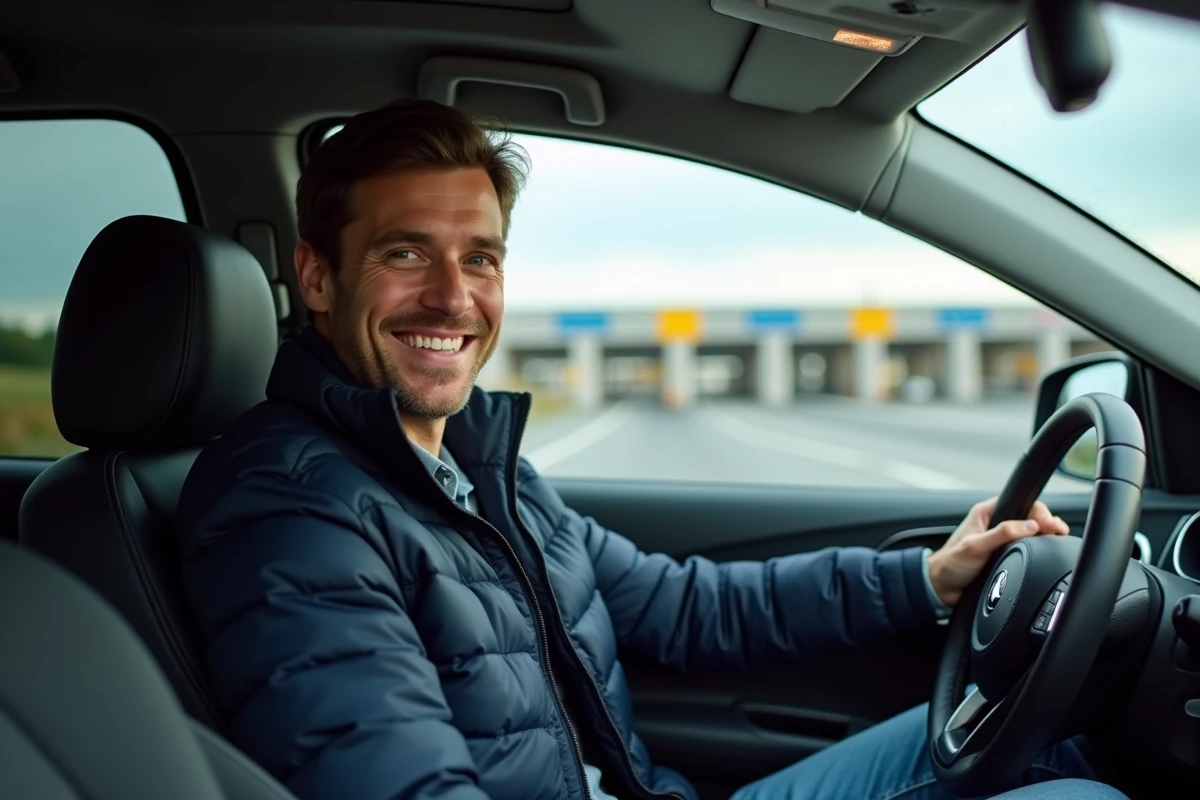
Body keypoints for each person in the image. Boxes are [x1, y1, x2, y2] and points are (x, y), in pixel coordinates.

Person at [176, 98, 1124, 800]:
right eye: (405, 253)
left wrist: (927, 579)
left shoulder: (473, 464)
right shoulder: (285, 508)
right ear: (317, 276)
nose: (453, 298)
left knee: (1057, 743)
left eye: (481, 257)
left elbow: (683, 607)